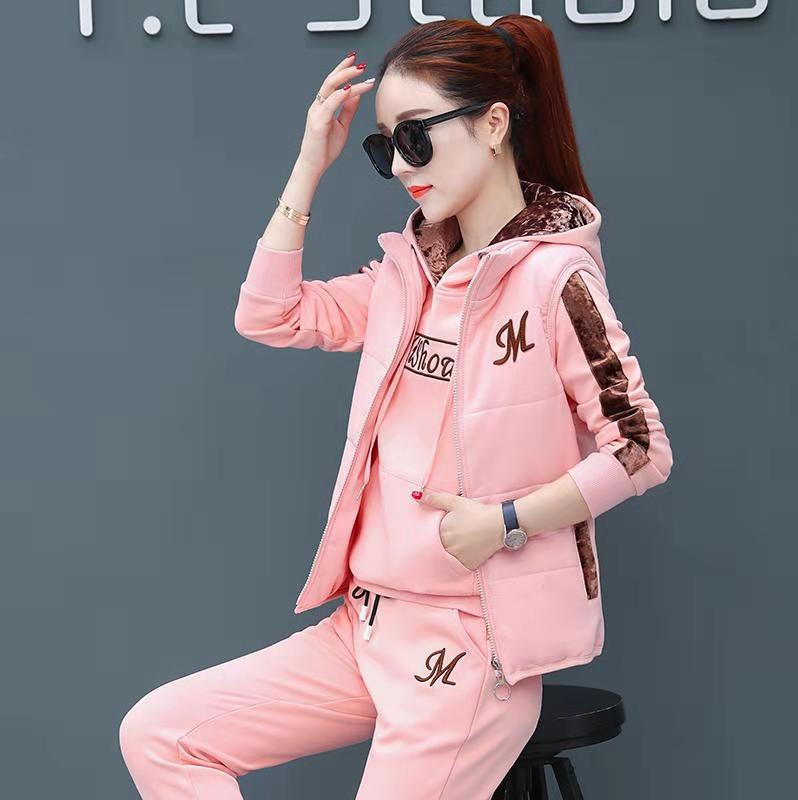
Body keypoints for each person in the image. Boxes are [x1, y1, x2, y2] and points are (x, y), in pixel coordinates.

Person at [119, 15, 673, 799]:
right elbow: (269, 314)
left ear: (492, 124)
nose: (402, 166)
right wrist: (309, 166)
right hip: (367, 626)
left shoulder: (556, 280)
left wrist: (507, 521)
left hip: (470, 645)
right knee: (161, 735)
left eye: (416, 137)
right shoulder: (406, 275)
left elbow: (640, 447)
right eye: (386, 149)